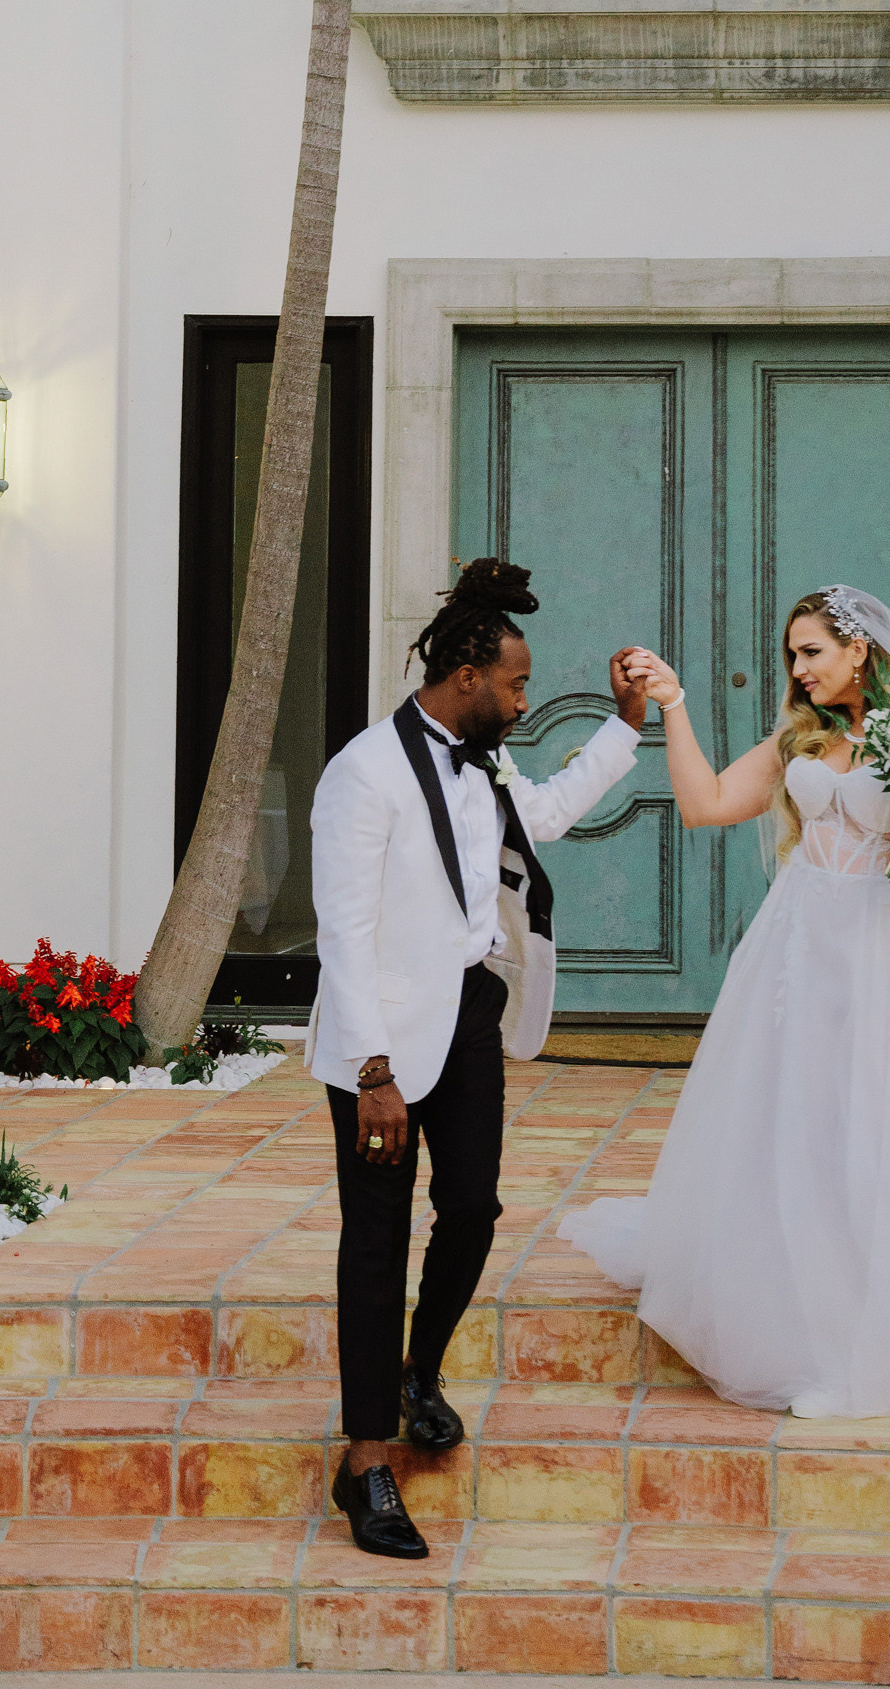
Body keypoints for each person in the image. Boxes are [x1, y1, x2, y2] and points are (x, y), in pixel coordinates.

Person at [559, 584, 890, 1419]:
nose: (799, 671)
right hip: (802, 946)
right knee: (799, 1113)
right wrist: (675, 707)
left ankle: (883, 1311)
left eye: (812, 653)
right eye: (793, 656)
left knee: (887, 1118)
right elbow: (706, 806)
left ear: (860, 650)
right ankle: (796, 1289)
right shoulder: (802, 739)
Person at [307, 555, 648, 1557]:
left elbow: (539, 817)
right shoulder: (362, 775)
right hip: (377, 1044)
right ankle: (366, 1461)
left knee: (471, 1207)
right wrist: (371, 1073)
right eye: (515, 682)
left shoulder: (483, 757)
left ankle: (419, 1375)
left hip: (464, 1018)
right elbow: (343, 933)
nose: (523, 695)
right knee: (374, 1243)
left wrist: (624, 725)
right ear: (467, 676)